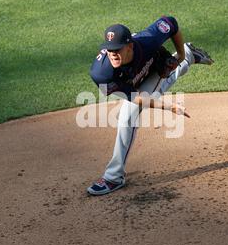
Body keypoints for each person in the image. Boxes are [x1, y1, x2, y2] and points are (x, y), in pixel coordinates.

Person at [88, 16, 214, 195]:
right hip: (131, 85)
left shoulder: (148, 40)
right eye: (109, 50)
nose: (113, 54)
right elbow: (135, 97)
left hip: (154, 66)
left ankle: (113, 177)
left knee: (127, 115)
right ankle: (189, 57)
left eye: (117, 49)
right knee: (131, 110)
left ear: (130, 46)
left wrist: (180, 54)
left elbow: (171, 23)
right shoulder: (101, 73)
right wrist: (169, 106)